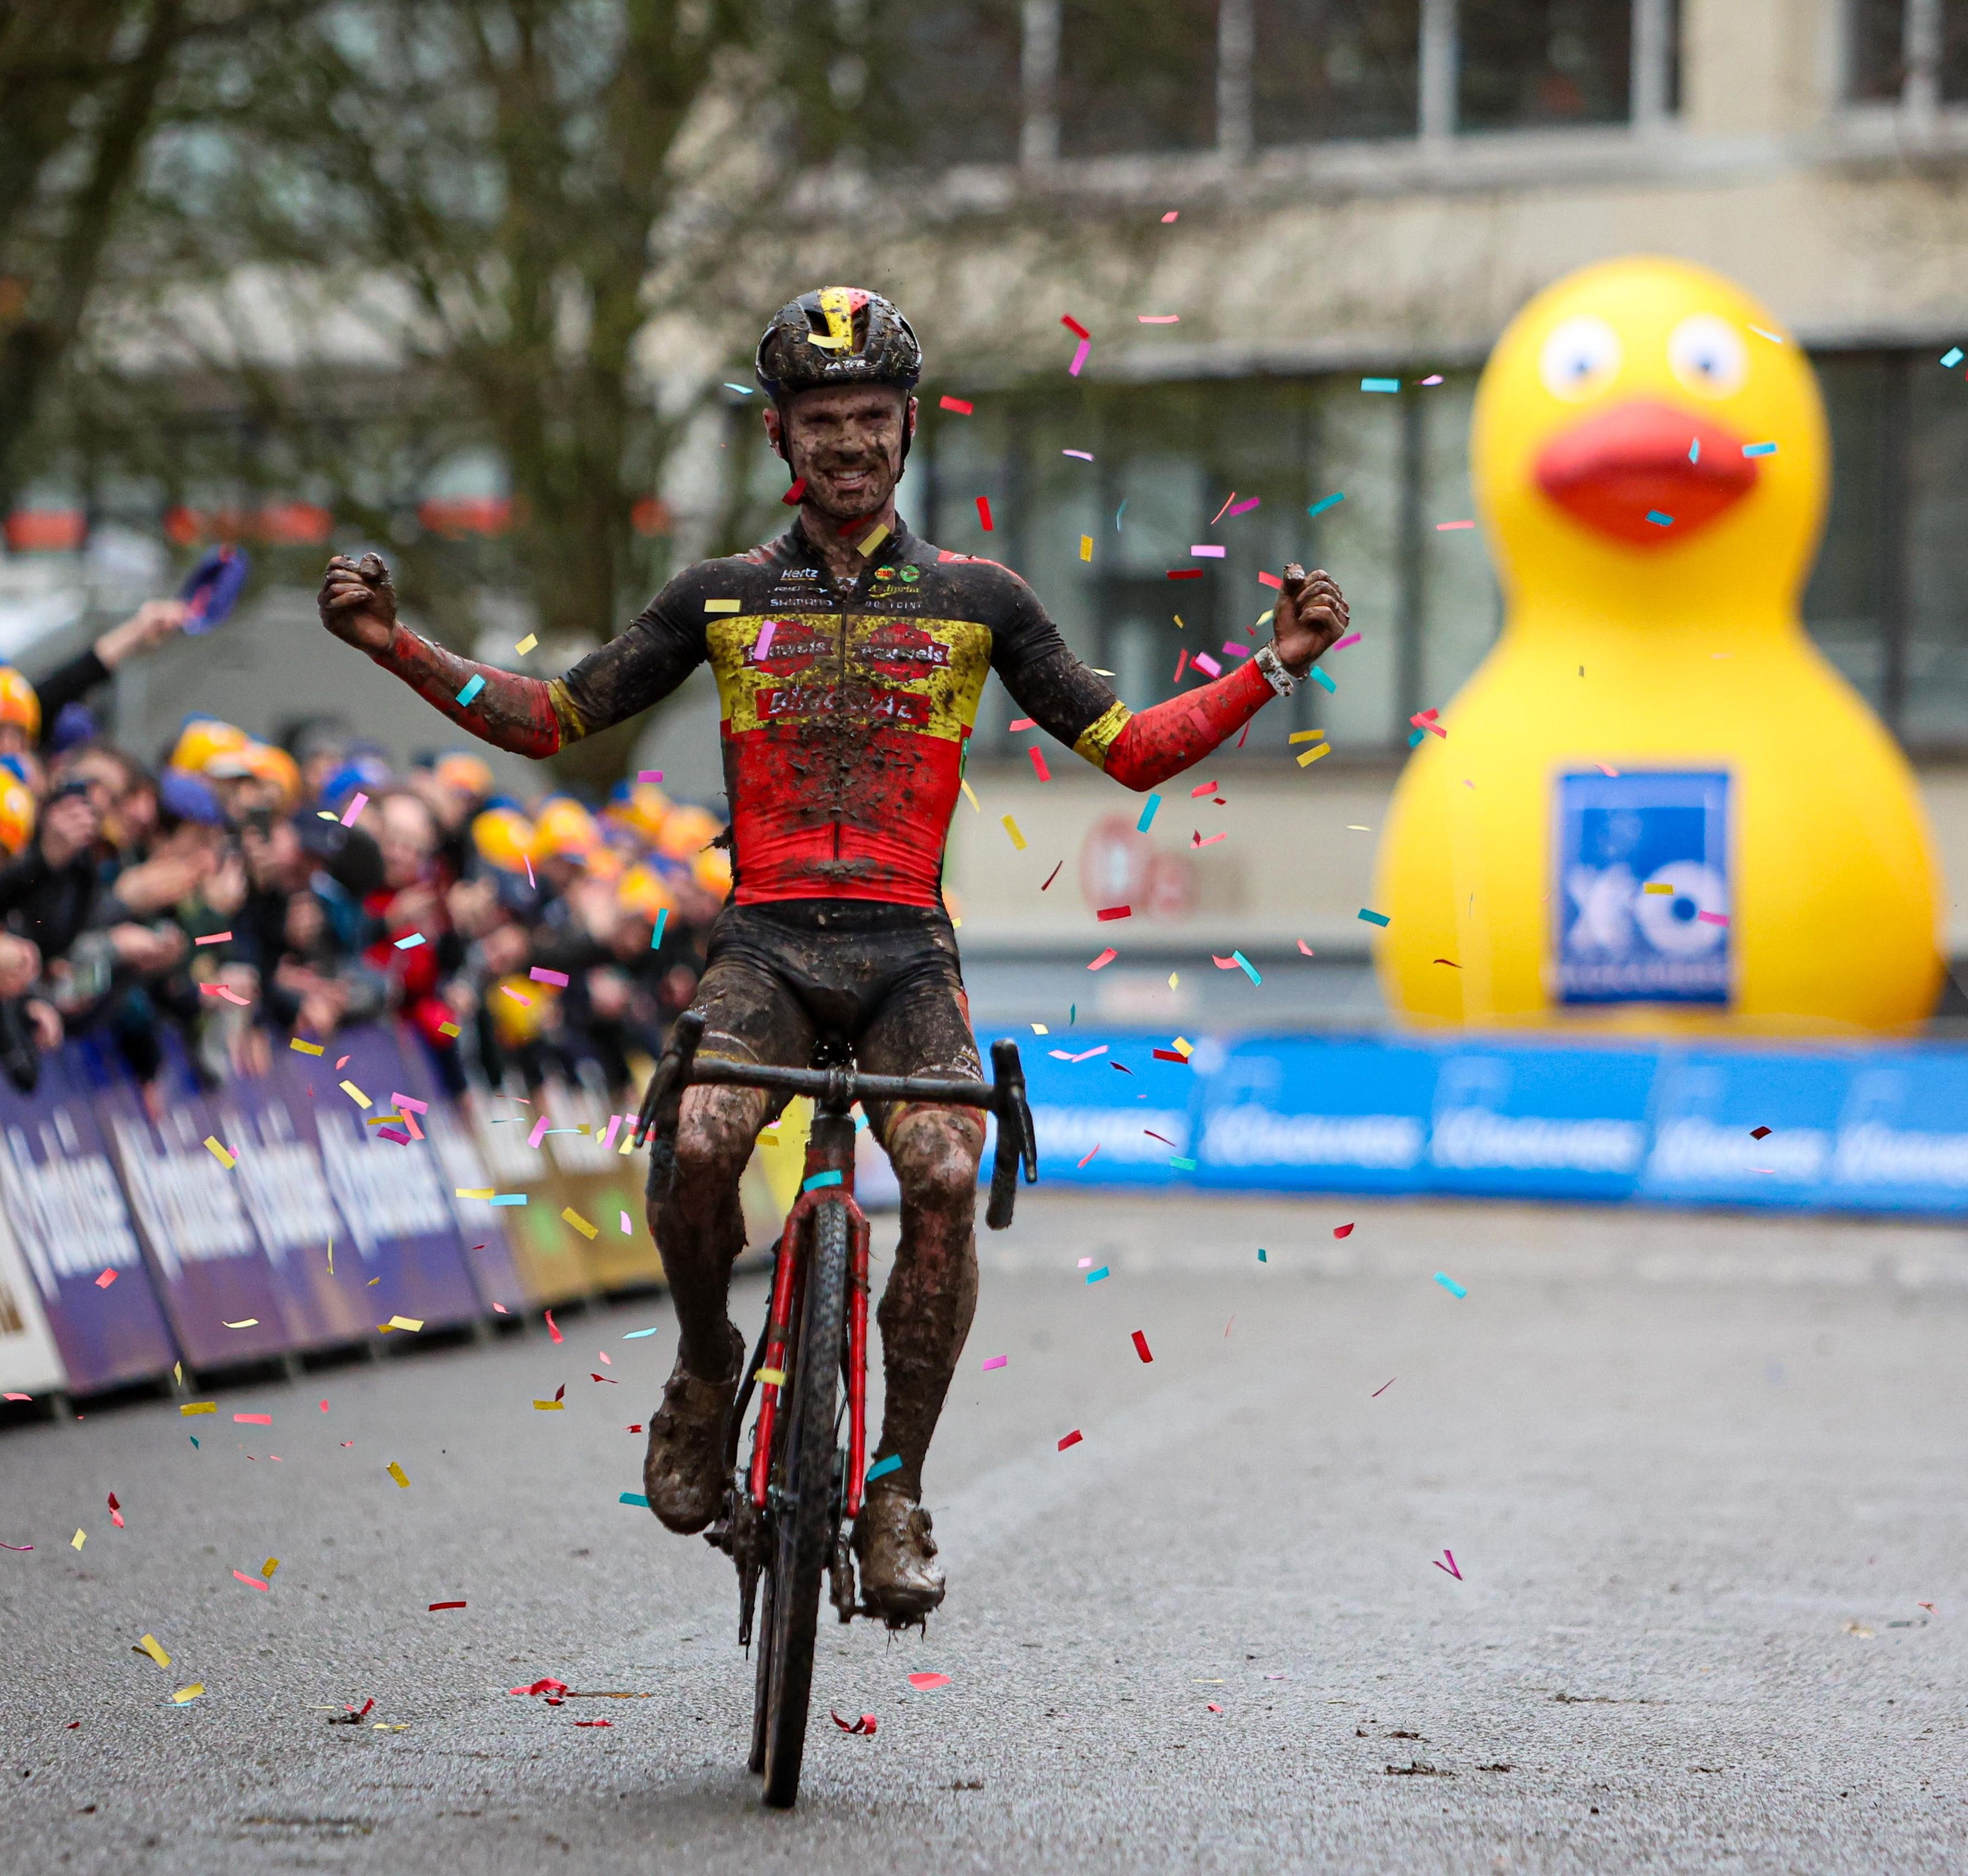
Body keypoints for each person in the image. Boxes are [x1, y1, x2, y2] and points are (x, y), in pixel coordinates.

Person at [317, 285, 1352, 1623]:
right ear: (776, 437)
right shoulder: (718, 597)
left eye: (871, 416)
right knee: (696, 1142)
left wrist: (1272, 666)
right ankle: (703, 1368)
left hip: (904, 952)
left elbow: (1130, 748)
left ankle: (895, 1489)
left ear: (910, 428)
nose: (848, 442)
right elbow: (554, 715)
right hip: (762, 945)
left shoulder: (981, 597)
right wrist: (395, 645)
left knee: (936, 1164)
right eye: (822, 420)